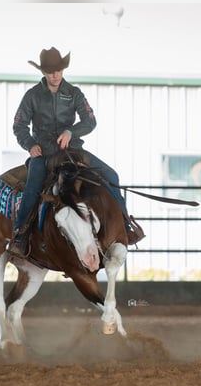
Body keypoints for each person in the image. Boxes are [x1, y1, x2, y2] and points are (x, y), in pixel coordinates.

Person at [8, 46, 144, 256]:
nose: (55, 75)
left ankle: (126, 226)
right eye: (51, 72)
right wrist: (30, 144)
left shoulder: (74, 93)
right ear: (43, 72)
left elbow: (90, 121)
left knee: (111, 175)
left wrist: (71, 131)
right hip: (44, 152)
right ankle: (20, 234)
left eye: (59, 71)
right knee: (33, 185)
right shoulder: (32, 96)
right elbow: (19, 125)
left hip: (72, 150)